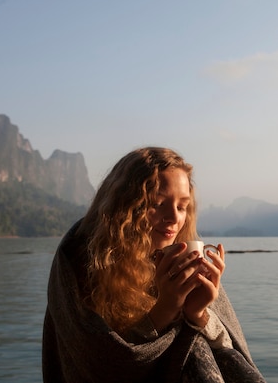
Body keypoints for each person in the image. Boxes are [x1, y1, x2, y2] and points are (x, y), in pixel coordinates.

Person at [42, 146, 266, 383]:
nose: (174, 218)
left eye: (182, 207)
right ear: (125, 206)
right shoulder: (82, 266)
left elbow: (231, 353)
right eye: (158, 204)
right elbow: (101, 366)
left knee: (196, 345)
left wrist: (199, 314)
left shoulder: (184, 260)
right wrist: (166, 309)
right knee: (193, 350)